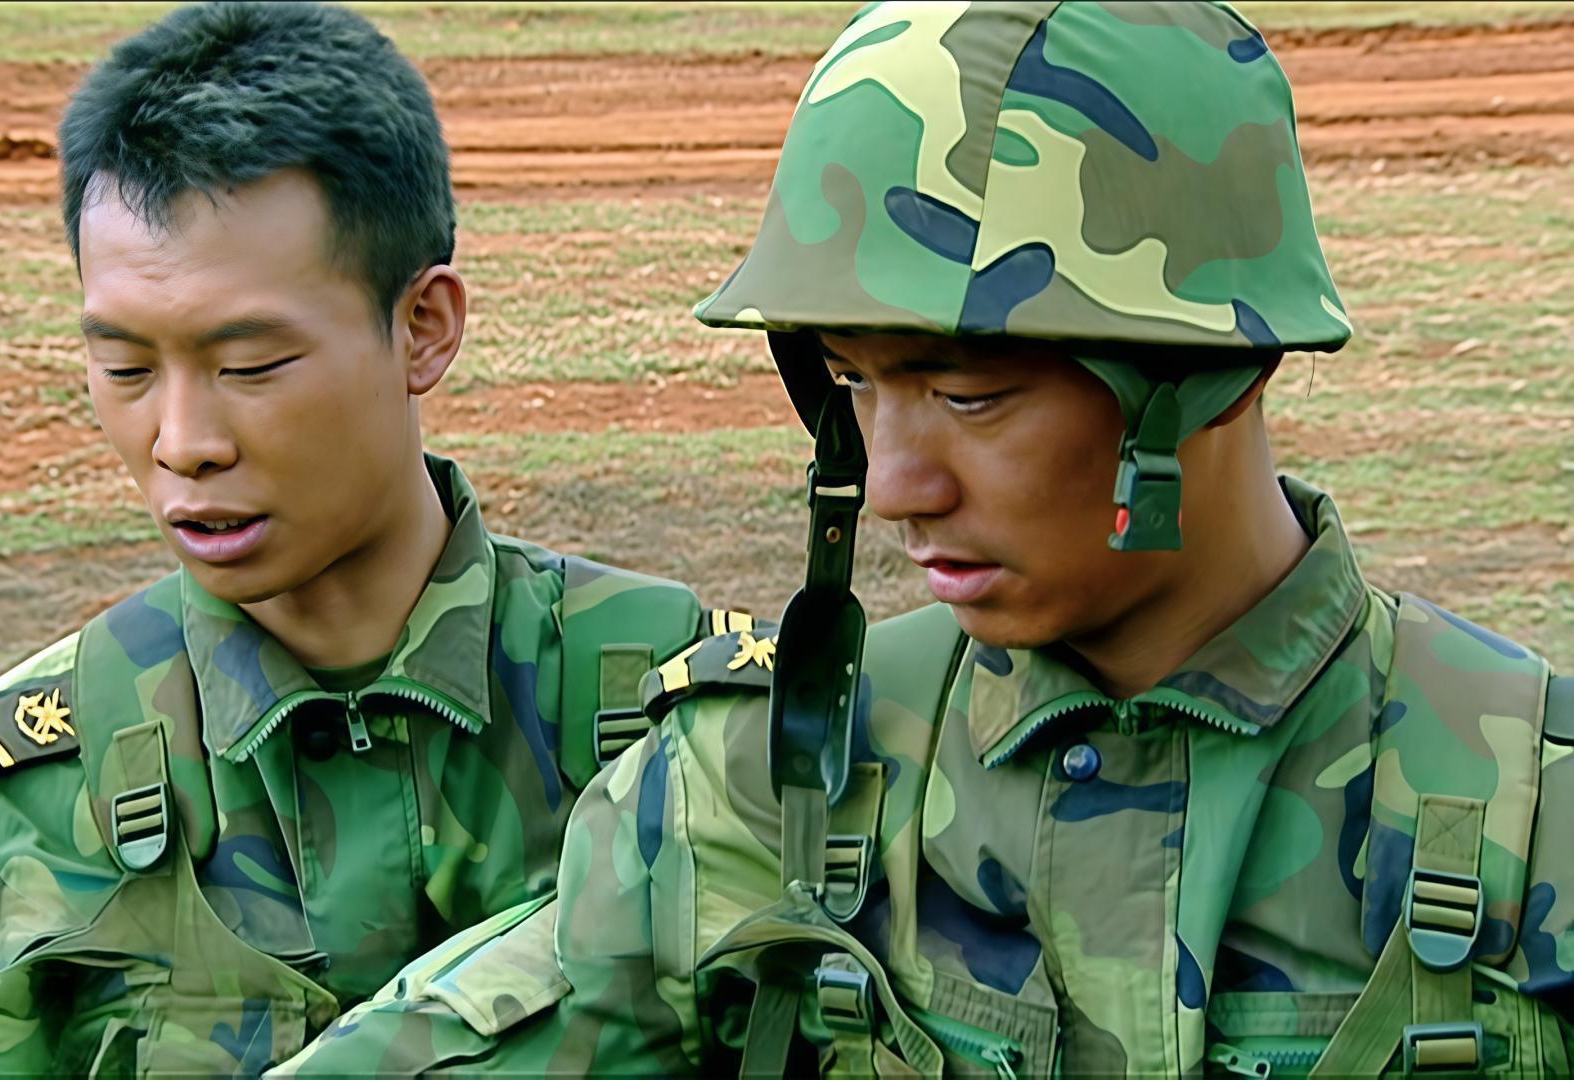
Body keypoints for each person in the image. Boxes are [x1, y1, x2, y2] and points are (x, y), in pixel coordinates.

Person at [281, 1, 1573, 1075]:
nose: (895, 484)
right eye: (852, 380)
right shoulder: (769, 783)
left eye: (970, 395)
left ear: (1211, 376)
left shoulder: (1535, 811)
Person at [0, 3, 736, 1074]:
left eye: (250, 366)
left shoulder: (690, 725)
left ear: (423, 328)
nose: (183, 443)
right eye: (126, 368)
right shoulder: (19, 802)